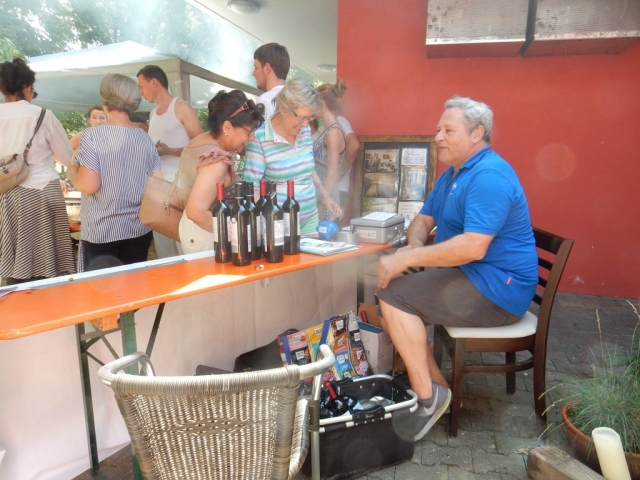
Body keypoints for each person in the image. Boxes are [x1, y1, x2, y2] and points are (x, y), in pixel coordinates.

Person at [375, 96, 538, 442]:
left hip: (499, 291)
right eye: (438, 129)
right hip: (475, 276)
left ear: (477, 133)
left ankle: (427, 397)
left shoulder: (489, 176)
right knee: (393, 293)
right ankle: (437, 388)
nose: (438, 137)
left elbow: (473, 246)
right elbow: (423, 219)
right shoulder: (454, 174)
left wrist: (405, 259)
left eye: (448, 130)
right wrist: (414, 246)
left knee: (393, 296)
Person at [67, 74, 161, 272]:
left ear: (105, 101)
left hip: (102, 232)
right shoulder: (145, 138)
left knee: (101, 289)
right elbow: (157, 186)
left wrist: (72, 172)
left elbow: (89, 186)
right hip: (138, 229)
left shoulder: (92, 136)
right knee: (134, 286)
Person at [0, 57, 76, 284]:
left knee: (17, 264)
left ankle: (19, 302)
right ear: (27, 87)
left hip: (9, 194)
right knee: (49, 263)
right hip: (43, 192)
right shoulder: (42, 115)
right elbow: (67, 158)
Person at [243, 78, 341, 235]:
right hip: (278, 224)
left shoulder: (304, 130)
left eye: (309, 118)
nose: (305, 124)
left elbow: (307, 169)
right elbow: (251, 189)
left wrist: (325, 195)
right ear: (283, 107)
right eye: (301, 117)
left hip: (310, 219)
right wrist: (263, 227)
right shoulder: (260, 139)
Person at [178, 91, 264, 254]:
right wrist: (235, 233)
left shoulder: (202, 140)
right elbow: (196, 211)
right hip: (208, 234)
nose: (252, 137)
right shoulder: (217, 161)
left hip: (197, 231)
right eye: (248, 132)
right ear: (227, 127)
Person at [136, 64, 204, 258]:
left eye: (141, 86)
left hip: (180, 184)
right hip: (158, 185)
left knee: (183, 240)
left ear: (154, 82)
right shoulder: (152, 114)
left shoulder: (181, 107)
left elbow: (202, 146)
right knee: (163, 244)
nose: (140, 92)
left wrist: (171, 150)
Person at [314, 80, 347, 220]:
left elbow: (332, 174)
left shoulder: (333, 132)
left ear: (321, 102)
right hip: (322, 195)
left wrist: (322, 205)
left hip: (326, 199)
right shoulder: (328, 130)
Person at [252, 43, 289, 120]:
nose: (253, 73)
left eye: (256, 68)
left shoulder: (266, 101)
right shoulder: (295, 99)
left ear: (267, 68)